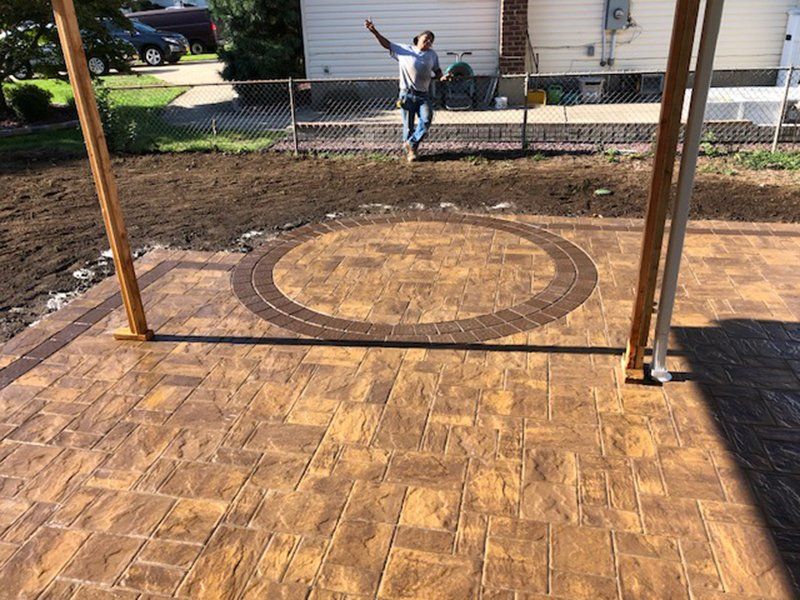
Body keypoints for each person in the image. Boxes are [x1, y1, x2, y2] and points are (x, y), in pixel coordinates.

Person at [365, 18, 447, 162]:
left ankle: (411, 143)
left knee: (426, 119)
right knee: (408, 126)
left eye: (431, 41)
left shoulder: (432, 55)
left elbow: (437, 70)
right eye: (426, 39)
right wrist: (374, 32)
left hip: (423, 95)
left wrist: (442, 77)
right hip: (407, 94)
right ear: (418, 39)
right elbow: (386, 44)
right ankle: (411, 153)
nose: (428, 42)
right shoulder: (404, 50)